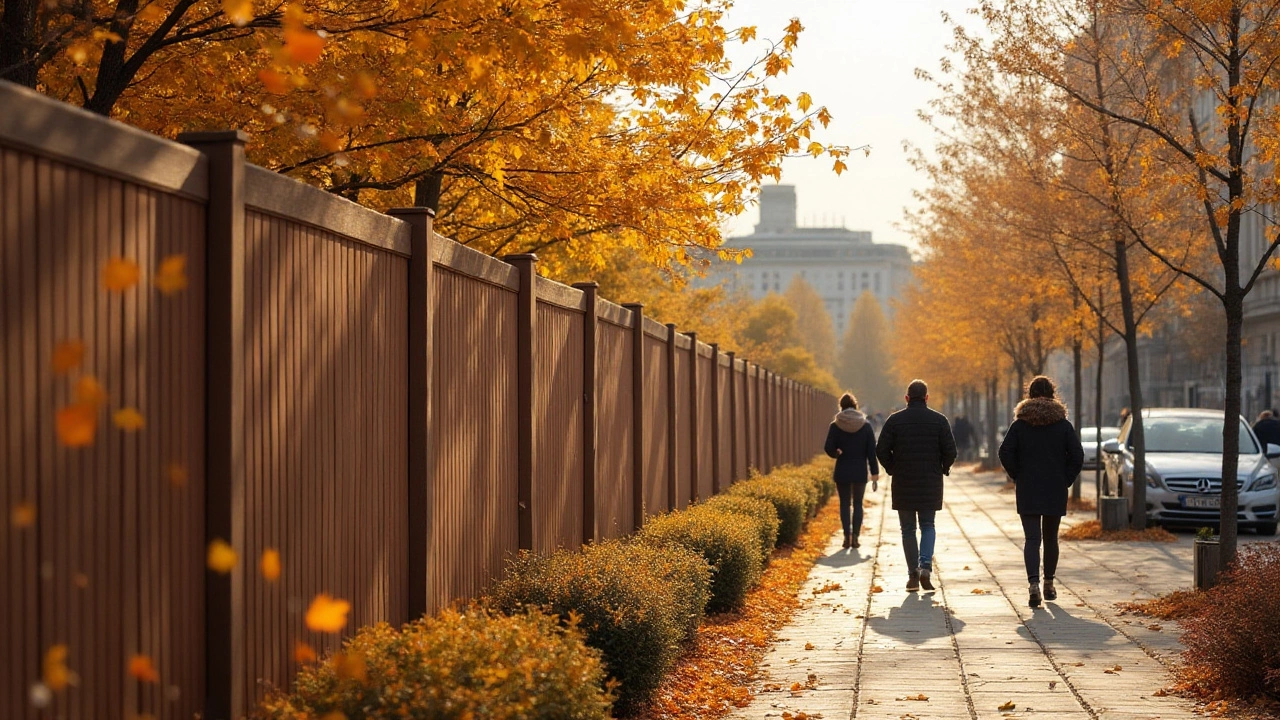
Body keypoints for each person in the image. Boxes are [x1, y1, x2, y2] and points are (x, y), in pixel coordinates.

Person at [998, 376, 1085, 609]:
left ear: (1029, 395)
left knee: (1032, 539)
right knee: (1051, 538)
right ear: (1053, 394)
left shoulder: (1020, 425)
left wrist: (1017, 475)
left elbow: (1005, 452)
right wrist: (1065, 479)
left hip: (1028, 487)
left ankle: (1033, 585)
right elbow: (1077, 456)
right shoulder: (1063, 425)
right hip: (1054, 488)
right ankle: (1049, 584)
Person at [875, 379, 958, 592]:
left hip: (903, 482)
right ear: (927, 398)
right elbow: (951, 451)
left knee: (908, 529)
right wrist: (943, 468)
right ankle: (926, 567)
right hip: (930, 481)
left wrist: (892, 468)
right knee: (928, 525)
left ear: (907, 398)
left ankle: (912, 574)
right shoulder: (939, 421)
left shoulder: (895, 421)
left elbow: (881, 449)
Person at [824, 393, 881, 549]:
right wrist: (875, 474)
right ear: (856, 406)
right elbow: (871, 452)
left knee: (844, 504)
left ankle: (846, 537)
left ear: (841, 406)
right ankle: (855, 537)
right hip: (860, 471)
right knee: (857, 504)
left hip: (842, 470)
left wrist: (837, 453)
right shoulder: (866, 425)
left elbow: (828, 447)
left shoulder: (835, 425)